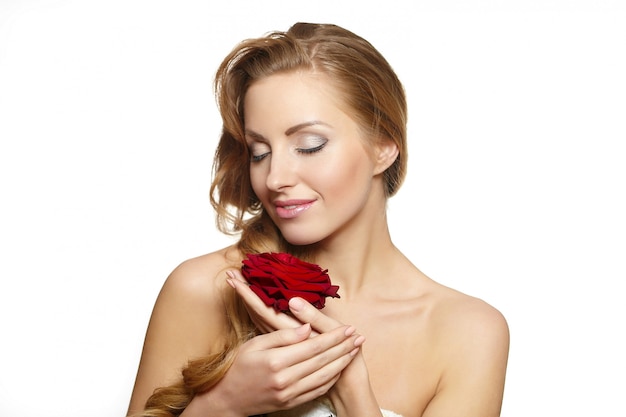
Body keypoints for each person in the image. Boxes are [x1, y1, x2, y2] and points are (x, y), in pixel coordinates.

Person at [126, 22, 510, 417]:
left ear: (383, 148)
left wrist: (350, 389)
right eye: (259, 152)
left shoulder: (468, 332)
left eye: (309, 146)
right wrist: (223, 403)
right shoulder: (205, 290)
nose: (275, 178)